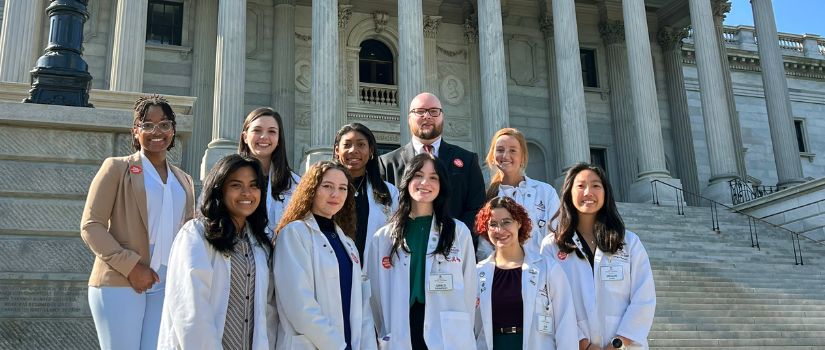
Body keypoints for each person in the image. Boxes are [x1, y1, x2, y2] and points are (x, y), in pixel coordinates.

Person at [80, 94, 195, 350]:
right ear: (136, 130)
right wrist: (132, 267)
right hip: (120, 280)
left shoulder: (184, 180)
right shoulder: (116, 168)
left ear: (173, 130)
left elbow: (189, 233)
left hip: (166, 284)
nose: (157, 131)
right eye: (148, 125)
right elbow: (91, 225)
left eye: (164, 124)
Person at [157, 154, 275, 349]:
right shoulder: (196, 234)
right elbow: (190, 306)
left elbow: (267, 312)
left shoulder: (259, 244)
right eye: (236, 185)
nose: (247, 193)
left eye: (254, 186)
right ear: (219, 190)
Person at [366, 153, 477, 350]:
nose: (425, 183)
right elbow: (375, 296)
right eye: (418, 175)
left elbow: (469, 289)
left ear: (441, 185)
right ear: (407, 181)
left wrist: (461, 329)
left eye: (433, 177)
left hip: (446, 330)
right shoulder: (383, 237)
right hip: (402, 326)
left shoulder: (458, 232)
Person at [540, 163, 655, 350]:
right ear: (569, 193)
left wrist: (618, 344)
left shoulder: (629, 242)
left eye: (595, 185)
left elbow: (644, 297)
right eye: (581, 186)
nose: (588, 192)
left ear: (605, 193)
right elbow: (548, 302)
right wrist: (583, 344)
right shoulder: (552, 246)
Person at [272, 161, 376, 350]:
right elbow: (299, 305)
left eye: (343, 188)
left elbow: (362, 306)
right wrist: (339, 347)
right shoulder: (294, 234)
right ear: (311, 189)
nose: (336, 194)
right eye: (327, 186)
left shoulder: (348, 243)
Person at [379, 92, 486, 259]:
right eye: (420, 111)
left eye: (434, 111)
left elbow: (476, 208)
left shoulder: (467, 160)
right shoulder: (387, 163)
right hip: (402, 252)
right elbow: (382, 210)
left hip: (454, 252)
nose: (427, 116)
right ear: (409, 118)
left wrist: (455, 238)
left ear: (442, 117)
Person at [473, 196, 577, 350]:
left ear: (519, 223)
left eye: (506, 222)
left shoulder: (547, 268)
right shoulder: (477, 273)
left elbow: (565, 321)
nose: (499, 230)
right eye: (493, 224)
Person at [485, 128, 560, 254]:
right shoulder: (487, 197)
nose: (505, 156)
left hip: (544, 265)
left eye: (513, 150)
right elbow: (484, 247)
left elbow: (558, 235)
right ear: (492, 156)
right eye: (500, 150)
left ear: (523, 157)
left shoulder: (546, 192)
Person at [333, 123, 399, 259]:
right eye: (347, 145)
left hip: (374, 266)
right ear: (337, 150)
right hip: (332, 264)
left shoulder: (389, 192)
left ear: (371, 151)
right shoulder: (323, 188)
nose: (353, 150)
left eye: (361, 145)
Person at [238, 107, 300, 235]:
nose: (264, 137)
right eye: (257, 130)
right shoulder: (227, 177)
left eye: (272, 131)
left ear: (278, 139)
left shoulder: (295, 184)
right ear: (245, 137)